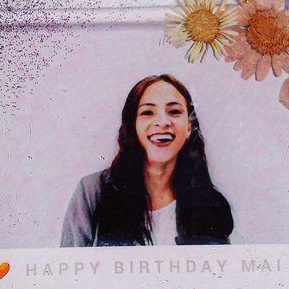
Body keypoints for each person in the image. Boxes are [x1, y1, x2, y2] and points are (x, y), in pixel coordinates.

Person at [60, 74, 233, 246]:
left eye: (174, 111)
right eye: (147, 112)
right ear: (133, 126)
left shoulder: (211, 204)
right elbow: (71, 269)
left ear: (189, 127)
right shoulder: (92, 192)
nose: (162, 122)